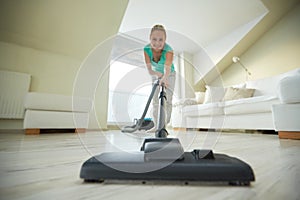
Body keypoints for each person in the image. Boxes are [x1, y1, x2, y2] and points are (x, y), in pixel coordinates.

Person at [143, 24, 176, 131]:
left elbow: (167, 69)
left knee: (167, 99)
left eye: (161, 40)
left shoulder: (169, 50)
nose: (157, 43)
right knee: (155, 99)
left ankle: (164, 126)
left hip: (169, 74)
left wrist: (165, 77)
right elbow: (150, 70)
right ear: (150, 38)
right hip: (156, 73)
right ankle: (157, 125)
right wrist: (160, 76)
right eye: (154, 39)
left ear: (165, 40)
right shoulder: (146, 49)